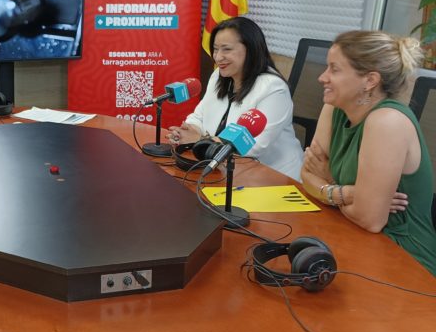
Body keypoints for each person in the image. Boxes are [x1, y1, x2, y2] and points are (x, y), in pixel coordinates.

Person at [301, 30, 435, 276]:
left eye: (335, 69)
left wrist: (328, 184)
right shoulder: (335, 107)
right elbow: (307, 174)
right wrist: (351, 193)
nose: (322, 77)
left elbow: (370, 219)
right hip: (351, 236)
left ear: (370, 80)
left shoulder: (387, 121)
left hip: (404, 259)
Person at [168, 16, 303, 180]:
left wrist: (201, 140)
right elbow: (200, 116)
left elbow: (254, 145)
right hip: (227, 170)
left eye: (226, 49)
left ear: (250, 49)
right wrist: (189, 130)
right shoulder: (220, 75)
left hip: (272, 176)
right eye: (215, 49)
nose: (218, 57)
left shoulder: (273, 88)